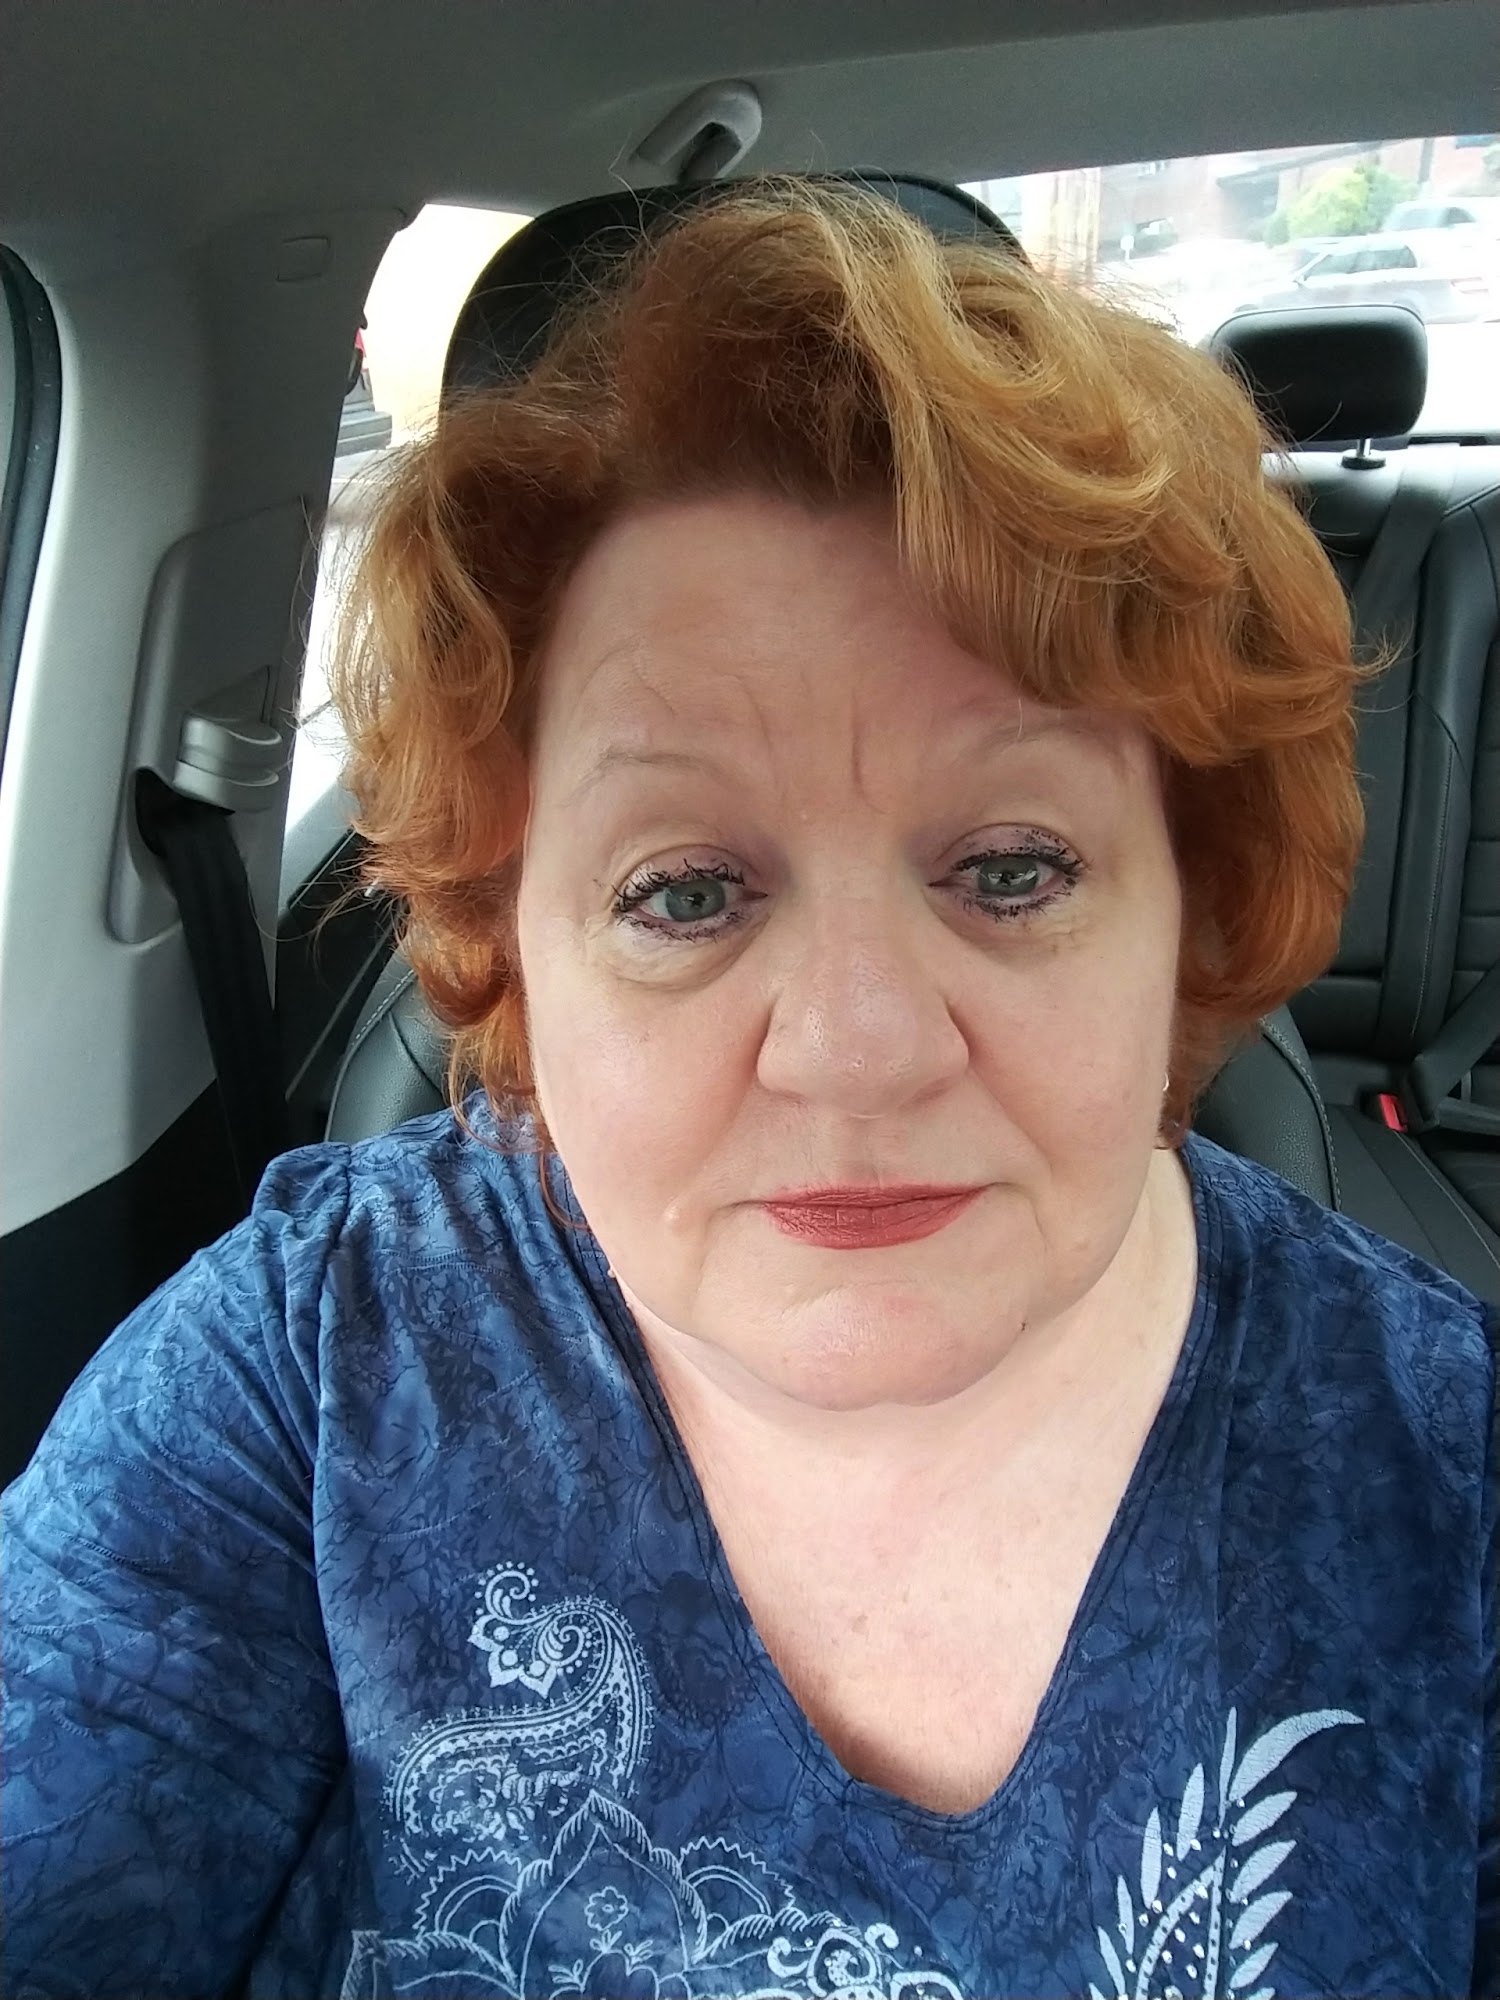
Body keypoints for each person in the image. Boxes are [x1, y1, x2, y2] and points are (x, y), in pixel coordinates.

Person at [2, 179, 1495, 2000]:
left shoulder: (1453, 1491)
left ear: (1189, 912)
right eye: (685, 893)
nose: (859, 1047)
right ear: (514, 941)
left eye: (1013, 867)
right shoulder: (303, 1380)